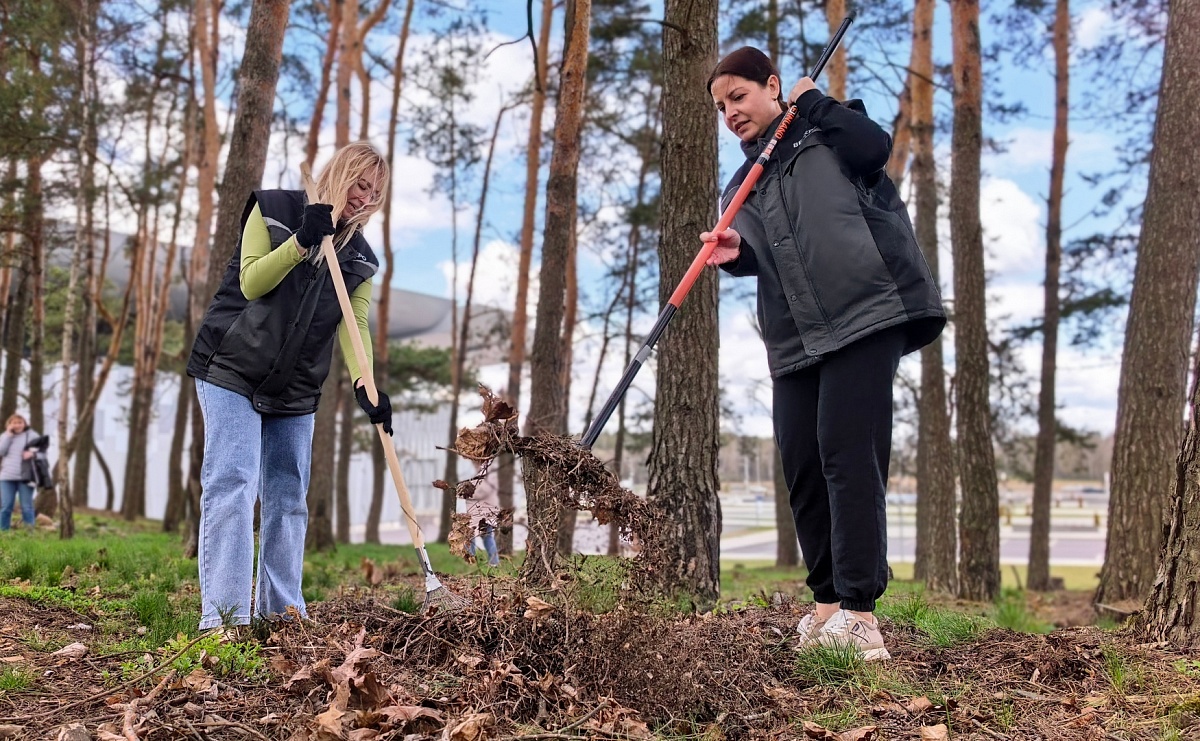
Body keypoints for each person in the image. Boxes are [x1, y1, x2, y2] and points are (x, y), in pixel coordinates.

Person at [702, 48, 945, 661]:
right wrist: (738, 251)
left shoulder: (829, 130)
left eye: (739, 96)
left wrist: (813, 102)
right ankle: (829, 606)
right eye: (720, 106)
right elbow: (768, 250)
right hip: (796, 338)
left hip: (866, 312)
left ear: (772, 86)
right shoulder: (746, 180)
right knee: (803, 466)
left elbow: (873, 150)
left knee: (846, 453)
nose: (730, 112)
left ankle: (861, 614)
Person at [186, 141, 395, 630]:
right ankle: (226, 620)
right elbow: (253, 281)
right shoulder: (275, 209)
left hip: (297, 387)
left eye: (376, 193)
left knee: (288, 495)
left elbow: (354, 322)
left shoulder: (361, 258)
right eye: (360, 184)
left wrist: (368, 384)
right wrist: (301, 241)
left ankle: (282, 616)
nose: (365, 198)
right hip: (232, 366)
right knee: (233, 482)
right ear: (340, 173)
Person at [0, 414, 39, 531]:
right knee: (6, 507)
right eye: (14, 423)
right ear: (9, 424)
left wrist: (33, 454)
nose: (17, 425)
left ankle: (28, 534)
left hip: (26, 477)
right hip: (7, 476)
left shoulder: (32, 435)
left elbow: (42, 451)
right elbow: (1, 451)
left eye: (20, 422)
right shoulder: (4, 436)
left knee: (26, 507)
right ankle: (3, 534)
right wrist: (8, 436)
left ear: (24, 423)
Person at [464, 462, 501, 567]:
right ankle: (494, 562)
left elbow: (475, 491)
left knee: (470, 535)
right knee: (486, 536)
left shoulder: (479, 472)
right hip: (486, 509)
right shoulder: (491, 470)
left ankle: (471, 562)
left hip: (478, 509)